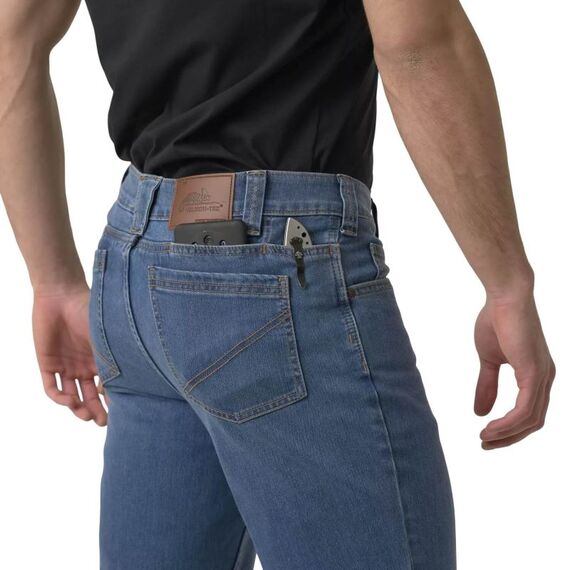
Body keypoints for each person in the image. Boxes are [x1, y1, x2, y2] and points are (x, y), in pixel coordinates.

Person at [0, 0, 556, 568]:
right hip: (273, 269)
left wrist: (53, 280)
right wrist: (506, 282)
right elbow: (417, 42)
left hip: (137, 263)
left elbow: (10, 40)